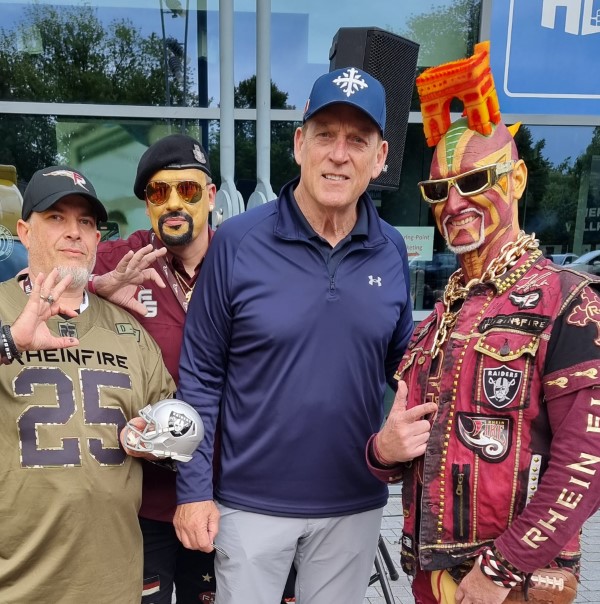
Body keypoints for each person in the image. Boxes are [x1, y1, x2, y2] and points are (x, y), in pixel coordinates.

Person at [173, 67, 418, 604]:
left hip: (354, 500)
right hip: (250, 504)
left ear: (379, 157)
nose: (339, 154)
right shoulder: (238, 242)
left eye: (357, 140)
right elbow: (200, 377)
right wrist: (193, 492)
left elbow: (406, 368)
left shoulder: (391, 249)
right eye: (325, 135)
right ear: (299, 144)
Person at [367, 50, 600, 604]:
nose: (454, 203)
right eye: (437, 190)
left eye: (473, 180)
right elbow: (403, 456)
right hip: (431, 576)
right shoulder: (437, 321)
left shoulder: (568, 301)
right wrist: (382, 451)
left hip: (511, 584)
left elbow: (586, 463)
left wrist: (500, 570)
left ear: (516, 179)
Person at [0, 165, 175, 603]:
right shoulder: (3, 308)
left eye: (85, 222)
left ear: (98, 239)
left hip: (113, 583)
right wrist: (10, 340)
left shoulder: (128, 330)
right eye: (55, 217)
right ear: (24, 232)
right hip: (16, 584)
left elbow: (174, 429)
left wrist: (158, 441)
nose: (73, 232)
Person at [90, 133, 219, 604]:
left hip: (221, 494)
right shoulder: (123, 259)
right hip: (143, 499)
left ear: (210, 196)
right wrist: (96, 287)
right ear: (147, 204)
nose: (173, 203)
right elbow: (40, 279)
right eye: (159, 192)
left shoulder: (240, 260)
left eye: (188, 189)